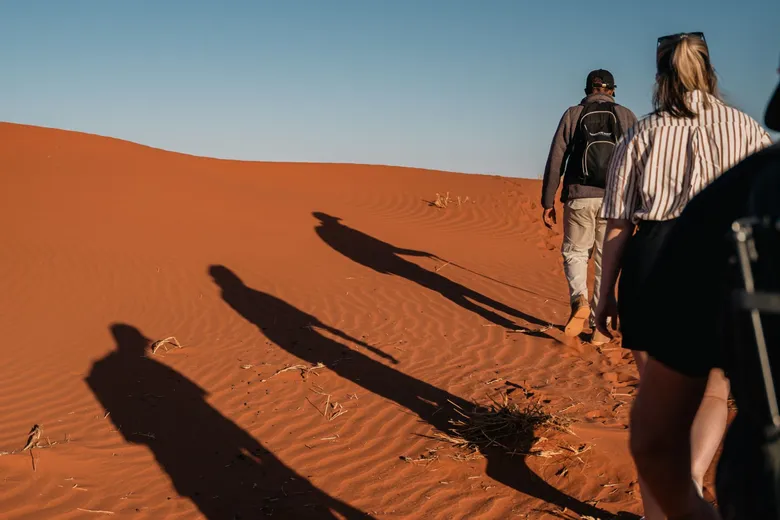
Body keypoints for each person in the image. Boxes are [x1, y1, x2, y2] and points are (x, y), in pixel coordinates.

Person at [594, 33, 772, 519]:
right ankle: (691, 475)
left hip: (654, 258)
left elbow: (617, 222)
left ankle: (662, 507)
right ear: (709, 72)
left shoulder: (642, 132)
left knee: (656, 396)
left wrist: (603, 293)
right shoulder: (747, 129)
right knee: (715, 388)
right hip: (723, 261)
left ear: (661, 77)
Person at [541, 69, 637, 344]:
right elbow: (639, 160)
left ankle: (578, 298)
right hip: (615, 200)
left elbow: (556, 158)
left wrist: (548, 201)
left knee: (574, 252)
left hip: (579, 196)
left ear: (587, 90)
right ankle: (599, 329)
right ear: (612, 90)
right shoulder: (626, 115)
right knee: (605, 261)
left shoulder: (573, 114)